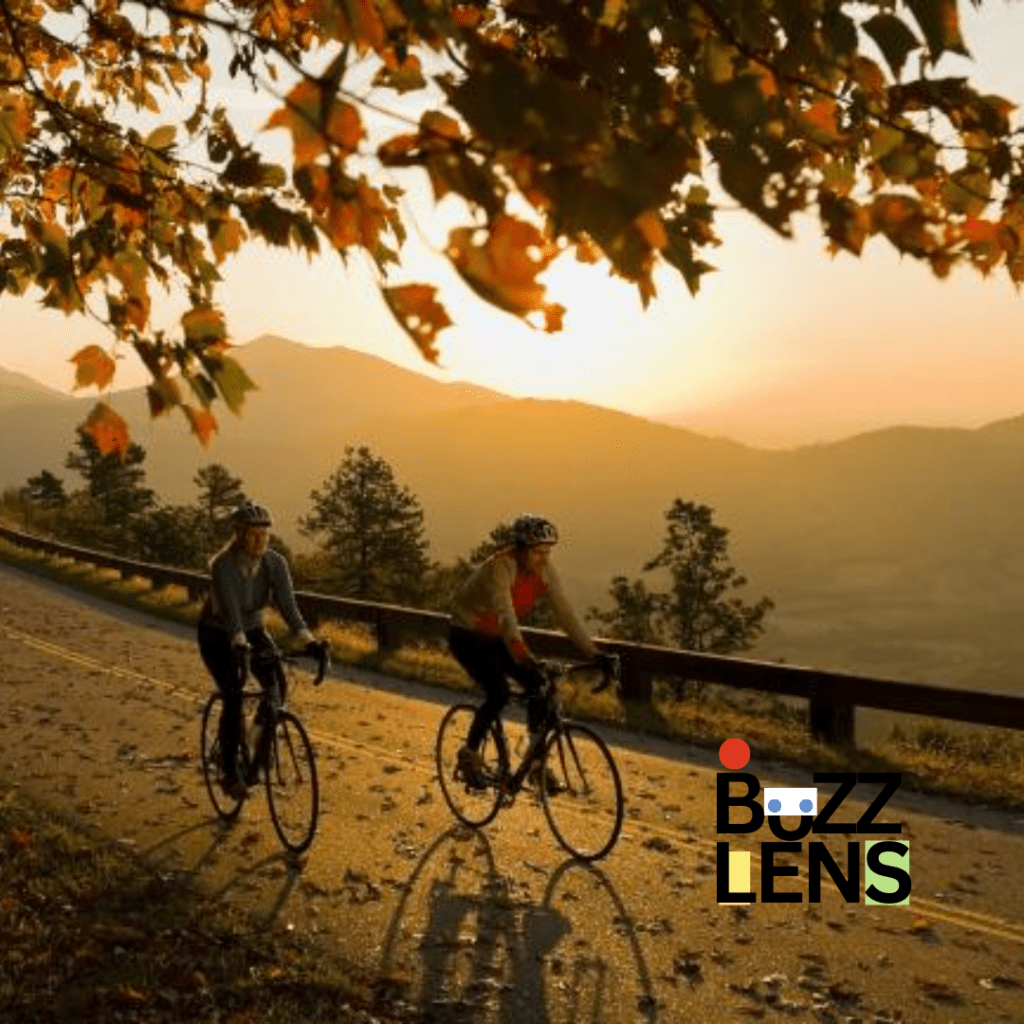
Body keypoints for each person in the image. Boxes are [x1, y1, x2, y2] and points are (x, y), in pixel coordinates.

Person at [448, 514, 614, 789]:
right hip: (467, 634)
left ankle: (536, 766)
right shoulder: (500, 568)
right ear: (521, 549)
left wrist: (594, 654)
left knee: (540, 685)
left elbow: (566, 615)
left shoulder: (545, 572)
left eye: (548, 551)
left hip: (497, 637)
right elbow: (506, 616)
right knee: (498, 692)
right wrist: (523, 656)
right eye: (538, 551)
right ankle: (470, 757)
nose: (544, 558)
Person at [197, 499, 324, 797]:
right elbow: (230, 611)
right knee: (233, 692)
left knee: (276, 685)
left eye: (264, 535)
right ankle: (228, 770)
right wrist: (239, 644)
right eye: (254, 535)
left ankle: (255, 748)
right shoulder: (223, 565)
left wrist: (309, 642)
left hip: (253, 629)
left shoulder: (275, 563)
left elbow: (288, 607)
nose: (260, 541)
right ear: (240, 536)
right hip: (217, 633)